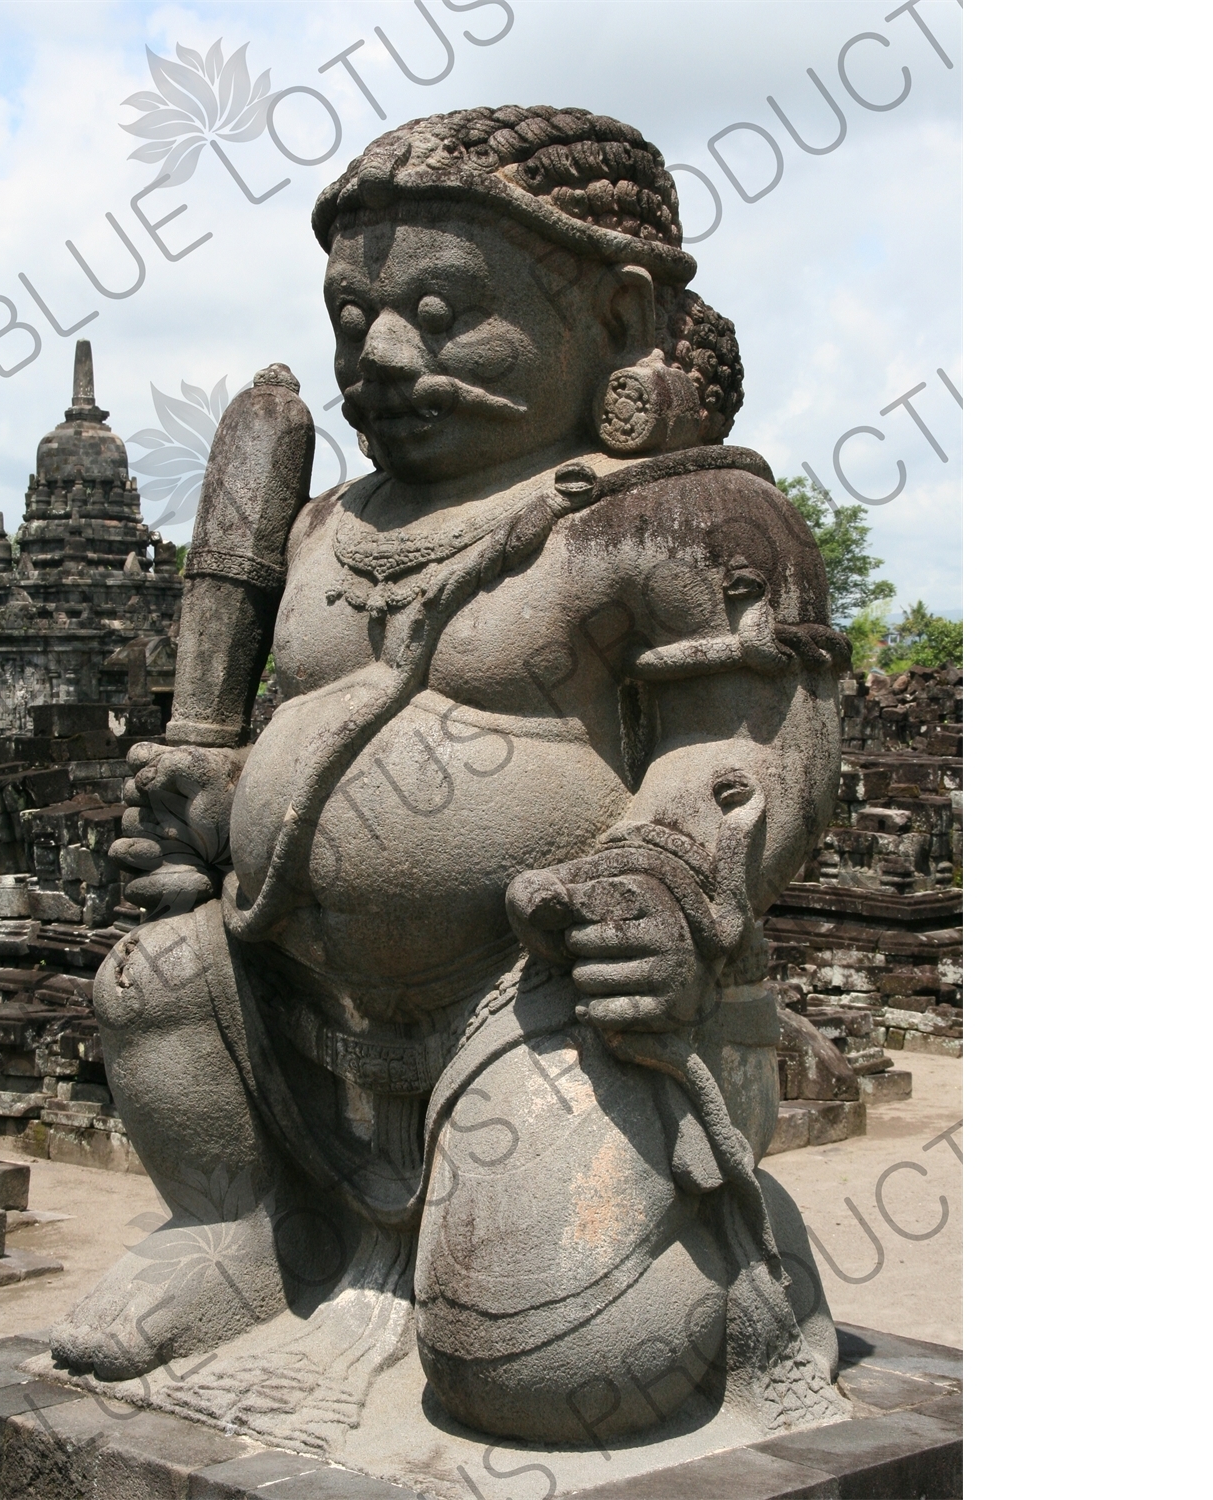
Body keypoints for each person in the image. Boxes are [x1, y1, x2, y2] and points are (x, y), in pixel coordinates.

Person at [52, 104, 850, 1448]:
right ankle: (243, 1232)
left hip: (554, 1006)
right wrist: (210, 805)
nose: (379, 350)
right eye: (353, 314)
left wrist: (665, 878)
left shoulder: (685, 516)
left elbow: (747, 748)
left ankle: (736, 1272)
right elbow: (304, 727)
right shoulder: (322, 530)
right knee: (151, 979)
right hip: (291, 999)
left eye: (437, 307)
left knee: (534, 1372)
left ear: (617, 312)